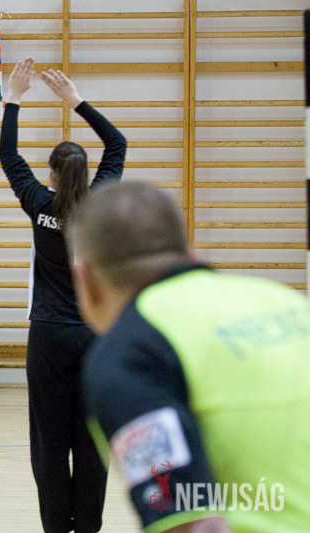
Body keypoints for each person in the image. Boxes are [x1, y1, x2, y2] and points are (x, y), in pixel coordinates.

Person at [66, 181, 310, 533]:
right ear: (191, 255)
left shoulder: (129, 351)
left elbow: (189, 521)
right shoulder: (286, 301)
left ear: (85, 280)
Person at [0, 57, 126, 532]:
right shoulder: (100, 201)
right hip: (97, 335)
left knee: (49, 441)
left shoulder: (38, 204)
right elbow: (118, 143)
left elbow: (8, 155)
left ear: (51, 174)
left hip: (49, 335)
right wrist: (76, 101)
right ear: (87, 173)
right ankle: (87, 526)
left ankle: (56, 526)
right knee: (92, 437)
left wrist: (14, 99)